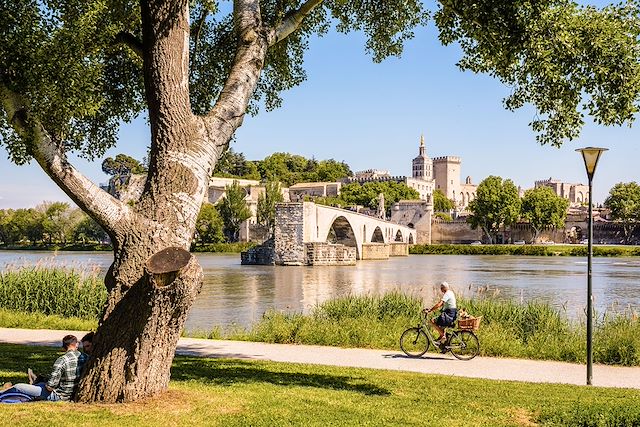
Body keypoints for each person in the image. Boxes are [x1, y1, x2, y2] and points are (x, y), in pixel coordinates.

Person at [2, 335, 88, 401]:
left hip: (60, 396)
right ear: (76, 344)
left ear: (63, 347)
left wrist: (48, 383)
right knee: (39, 385)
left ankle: (2, 394)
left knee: (19, 387)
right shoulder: (86, 357)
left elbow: (50, 387)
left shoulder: (62, 360)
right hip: (73, 393)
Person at [425, 282, 458, 346]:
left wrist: (430, 310)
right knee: (442, 327)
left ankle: (443, 336)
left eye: (441, 288)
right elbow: (443, 304)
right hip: (451, 314)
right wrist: (433, 309)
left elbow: (440, 303)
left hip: (449, 315)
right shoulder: (451, 292)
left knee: (432, 321)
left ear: (444, 288)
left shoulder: (447, 294)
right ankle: (443, 345)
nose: (440, 289)